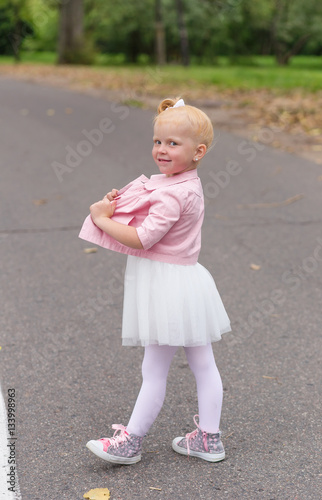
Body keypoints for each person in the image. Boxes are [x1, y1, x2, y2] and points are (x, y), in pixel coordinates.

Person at [79, 97, 231, 465]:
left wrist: (101, 219)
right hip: (184, 283)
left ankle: (130, 441)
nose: (161, 150)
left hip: (168, 289)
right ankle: (208, 439)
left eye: (172, 144)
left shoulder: (174, 195)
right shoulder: (180, 184)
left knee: (155, 370)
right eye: (158, 141)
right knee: (203, 364)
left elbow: (142, 238)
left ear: (199, 152)